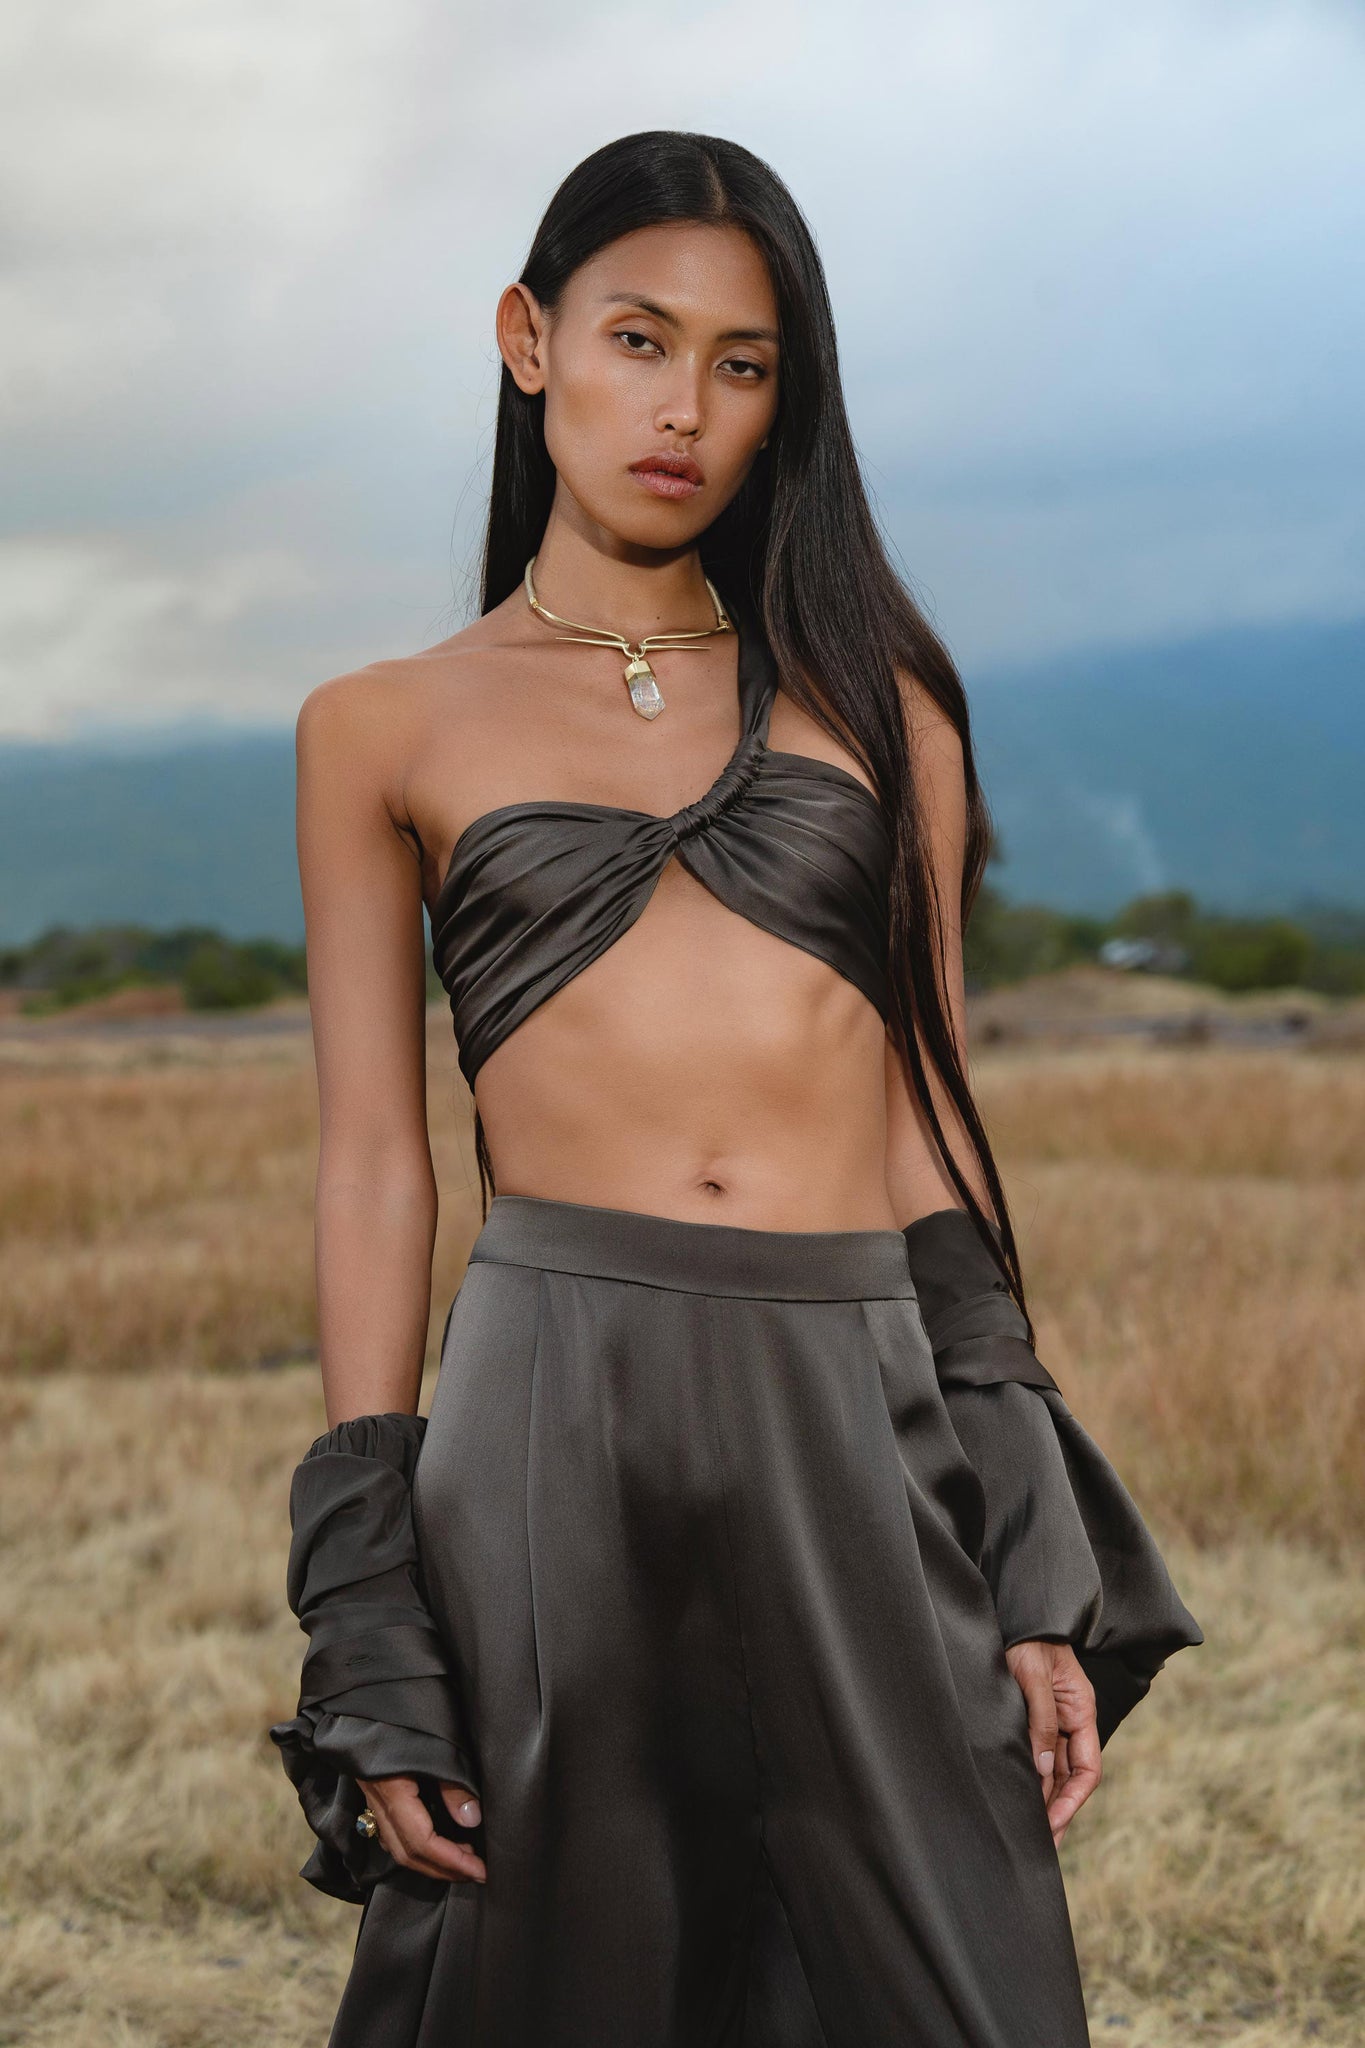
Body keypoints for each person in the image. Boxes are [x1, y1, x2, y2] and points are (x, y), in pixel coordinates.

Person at [269, 130, 1201, 2048]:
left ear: (786, 402)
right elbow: (373, 1165)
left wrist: (1029, 1549)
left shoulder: (882, 708)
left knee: (956, 1983)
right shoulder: (378, 724)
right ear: (529, 341)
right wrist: (366, 1605)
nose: (683, 407)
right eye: (638, 338)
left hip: (847, 1392)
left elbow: (926, 1119)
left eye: (743, 363)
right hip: (551, 1407)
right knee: (544, 1964)